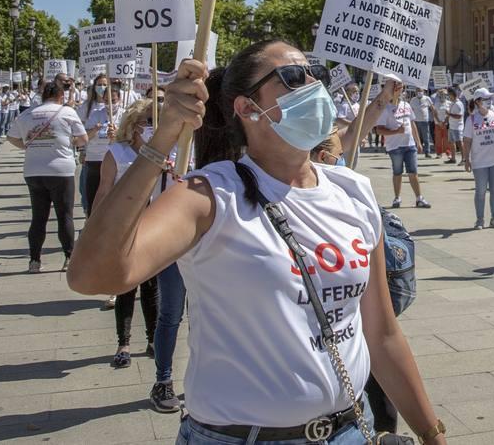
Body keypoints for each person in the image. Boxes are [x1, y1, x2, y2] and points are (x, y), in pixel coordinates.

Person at [67, 41, 450, 445]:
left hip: (351, 431)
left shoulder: (353, 191)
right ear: (249, 108)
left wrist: (432, 433)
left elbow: (383, 333)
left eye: (313, 73)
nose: (312, 85)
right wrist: (161, 140)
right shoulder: (210, 196)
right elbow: (94, 275)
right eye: (292, 77)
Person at [94, 101, 161, 369]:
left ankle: (153, 339)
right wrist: (95, 225)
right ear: (134, 125)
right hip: (123, 226)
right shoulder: (116, 153)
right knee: (125, 287)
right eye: (148, 121)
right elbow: (104, 190)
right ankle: (123, 343)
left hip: (152, 224)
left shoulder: (162, 152)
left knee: (151, 287)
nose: (153, 127)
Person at [6, 79, 87, 273]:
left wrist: (27, 146)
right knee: (64, 216)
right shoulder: (67, 112)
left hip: (33, 170)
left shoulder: (27, 114)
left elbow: (11, 137)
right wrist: (66, 142)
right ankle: (69, 257)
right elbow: (82, 139)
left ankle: (34, 260)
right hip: (61, 169)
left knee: (38, 217)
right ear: (61, 96)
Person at [374, 82, 431, 210]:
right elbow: (379, 130)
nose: (401, 90)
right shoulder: (386, 108)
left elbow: (412, 124)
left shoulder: (406, 105)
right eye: (398, 88)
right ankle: (397, 197)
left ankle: (419, 198)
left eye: (402, 88)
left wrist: (418, 141)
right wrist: (396, 132)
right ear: (392, 90)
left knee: (413, 172)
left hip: (410, 145)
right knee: (397, 172)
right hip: (395, 147)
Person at [461, 89, 494, 230]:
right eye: (485, 99)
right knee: (480, 191)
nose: (489, 101)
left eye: (489, 98)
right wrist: (466, 159)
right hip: (479, 162)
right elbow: (467, 140)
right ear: (477, 102)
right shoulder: (472, 119)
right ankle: (479, 220)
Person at [80, 74, 118, 217]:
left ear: (119, 99)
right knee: (93, 195)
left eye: (113, 101)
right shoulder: (95, 113)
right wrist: (95, 129)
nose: (110, 104)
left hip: (115, 160)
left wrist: (118, 133)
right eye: (107, 101)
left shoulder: (125, 114)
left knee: (113, 198)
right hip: (95, 159)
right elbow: (84, 136)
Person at [409, 86, 434, 157]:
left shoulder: (427, 98)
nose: (419, 92)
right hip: (416, 121)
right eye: (418, 91)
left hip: (425, 121)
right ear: (416, 92)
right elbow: (410, 110)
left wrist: (435, 118)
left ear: (423, 92)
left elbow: (432, 108)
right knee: (416, 137)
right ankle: (415, 151)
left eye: (421, 91)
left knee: (426, 137)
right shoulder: (413, 100)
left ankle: (427, 152)